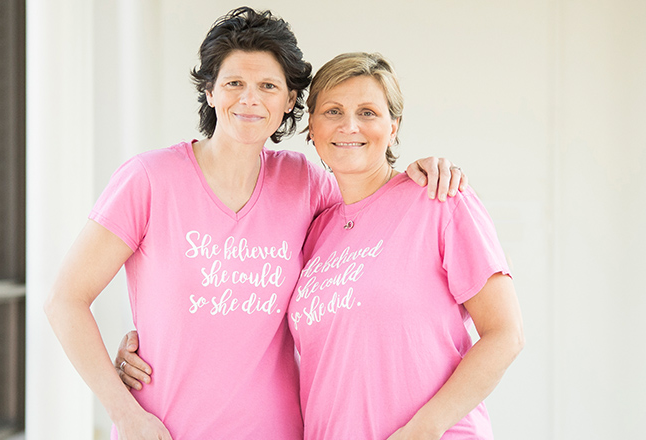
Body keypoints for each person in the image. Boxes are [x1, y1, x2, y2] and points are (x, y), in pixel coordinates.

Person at [44, 8, 464, 440]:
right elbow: (65, 300)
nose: (250, 99)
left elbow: (373, 204)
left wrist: (423, 171)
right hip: (163, 432)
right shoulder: (148, 180)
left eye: (268, 86)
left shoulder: (304, 182)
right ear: (209, 91)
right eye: (233, 84)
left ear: (288, 102)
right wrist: (123, 408)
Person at [120, 52, 523, 439]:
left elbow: (505, 334)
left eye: (368, 112)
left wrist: (425, 429)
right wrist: (152, 343)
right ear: (312, 127)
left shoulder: (439, 200)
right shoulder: (317, 227)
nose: (349, 126)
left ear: (394, 125)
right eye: (333, 111)